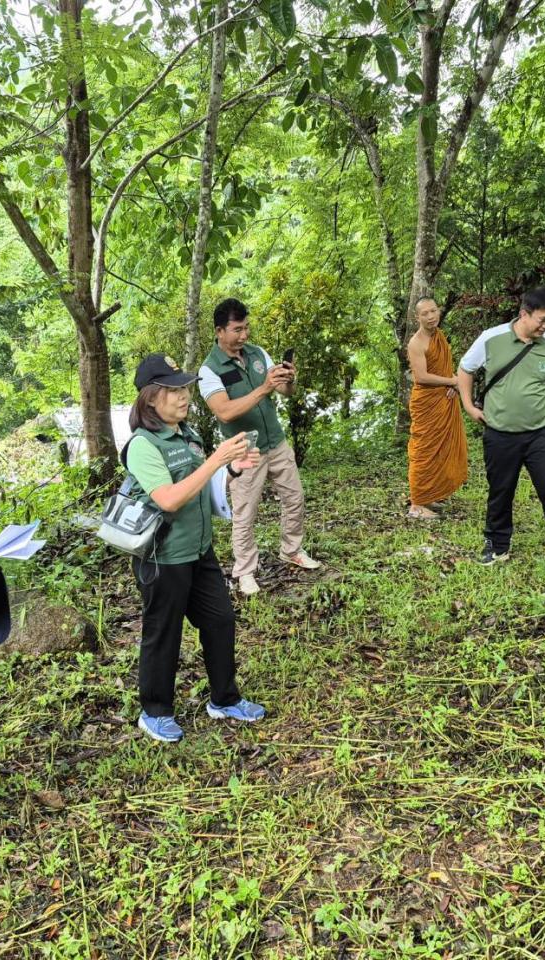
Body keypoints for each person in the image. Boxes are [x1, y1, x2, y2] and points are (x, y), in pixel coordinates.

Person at [124, 353, 267, 743]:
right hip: (164, 557)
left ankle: (224, 699)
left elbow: (201, 485)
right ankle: (155, 712)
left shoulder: (187, 435)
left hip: (199, 550)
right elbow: (168, 498)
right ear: (151, 398)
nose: (185, 397)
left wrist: (232, 468)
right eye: (174, 391)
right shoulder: (143, 445)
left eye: (186, 388)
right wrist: (217, 459)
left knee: (220, 621)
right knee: (163, 634)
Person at [200, 298, 321, 596]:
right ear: (219, 331)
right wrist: (263, 388)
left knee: (295, 497)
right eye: (237, 329)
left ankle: (291, 549)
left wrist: (288, 380)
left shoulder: (257, 354)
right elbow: (225, 411)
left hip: (276, 441)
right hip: (245, 448)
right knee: (245, 513)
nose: (244, 335)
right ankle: (245, 572)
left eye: (247, 327)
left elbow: (284, 391)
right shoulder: (209, 370)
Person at [456, 288, 545, 566]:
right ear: (524, 314)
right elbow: (465, 369)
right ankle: (497, 544)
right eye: (542, 320)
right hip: (500, 433)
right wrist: (469, 406)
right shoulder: (491, 338)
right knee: (501, 489)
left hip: (541, 432)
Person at [406, 296, 468, 518]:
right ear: (417, 317)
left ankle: (430, 495)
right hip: (426, 403)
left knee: (439, 450)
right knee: (423, 450)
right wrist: (453, 381)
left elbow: (442, 371)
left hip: (444, 399)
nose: (431, 317)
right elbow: (421, 377)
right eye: (425, 313)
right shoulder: (416, 343)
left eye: (434, 311)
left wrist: (452, 383)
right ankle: (417, 504)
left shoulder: (439, 336)